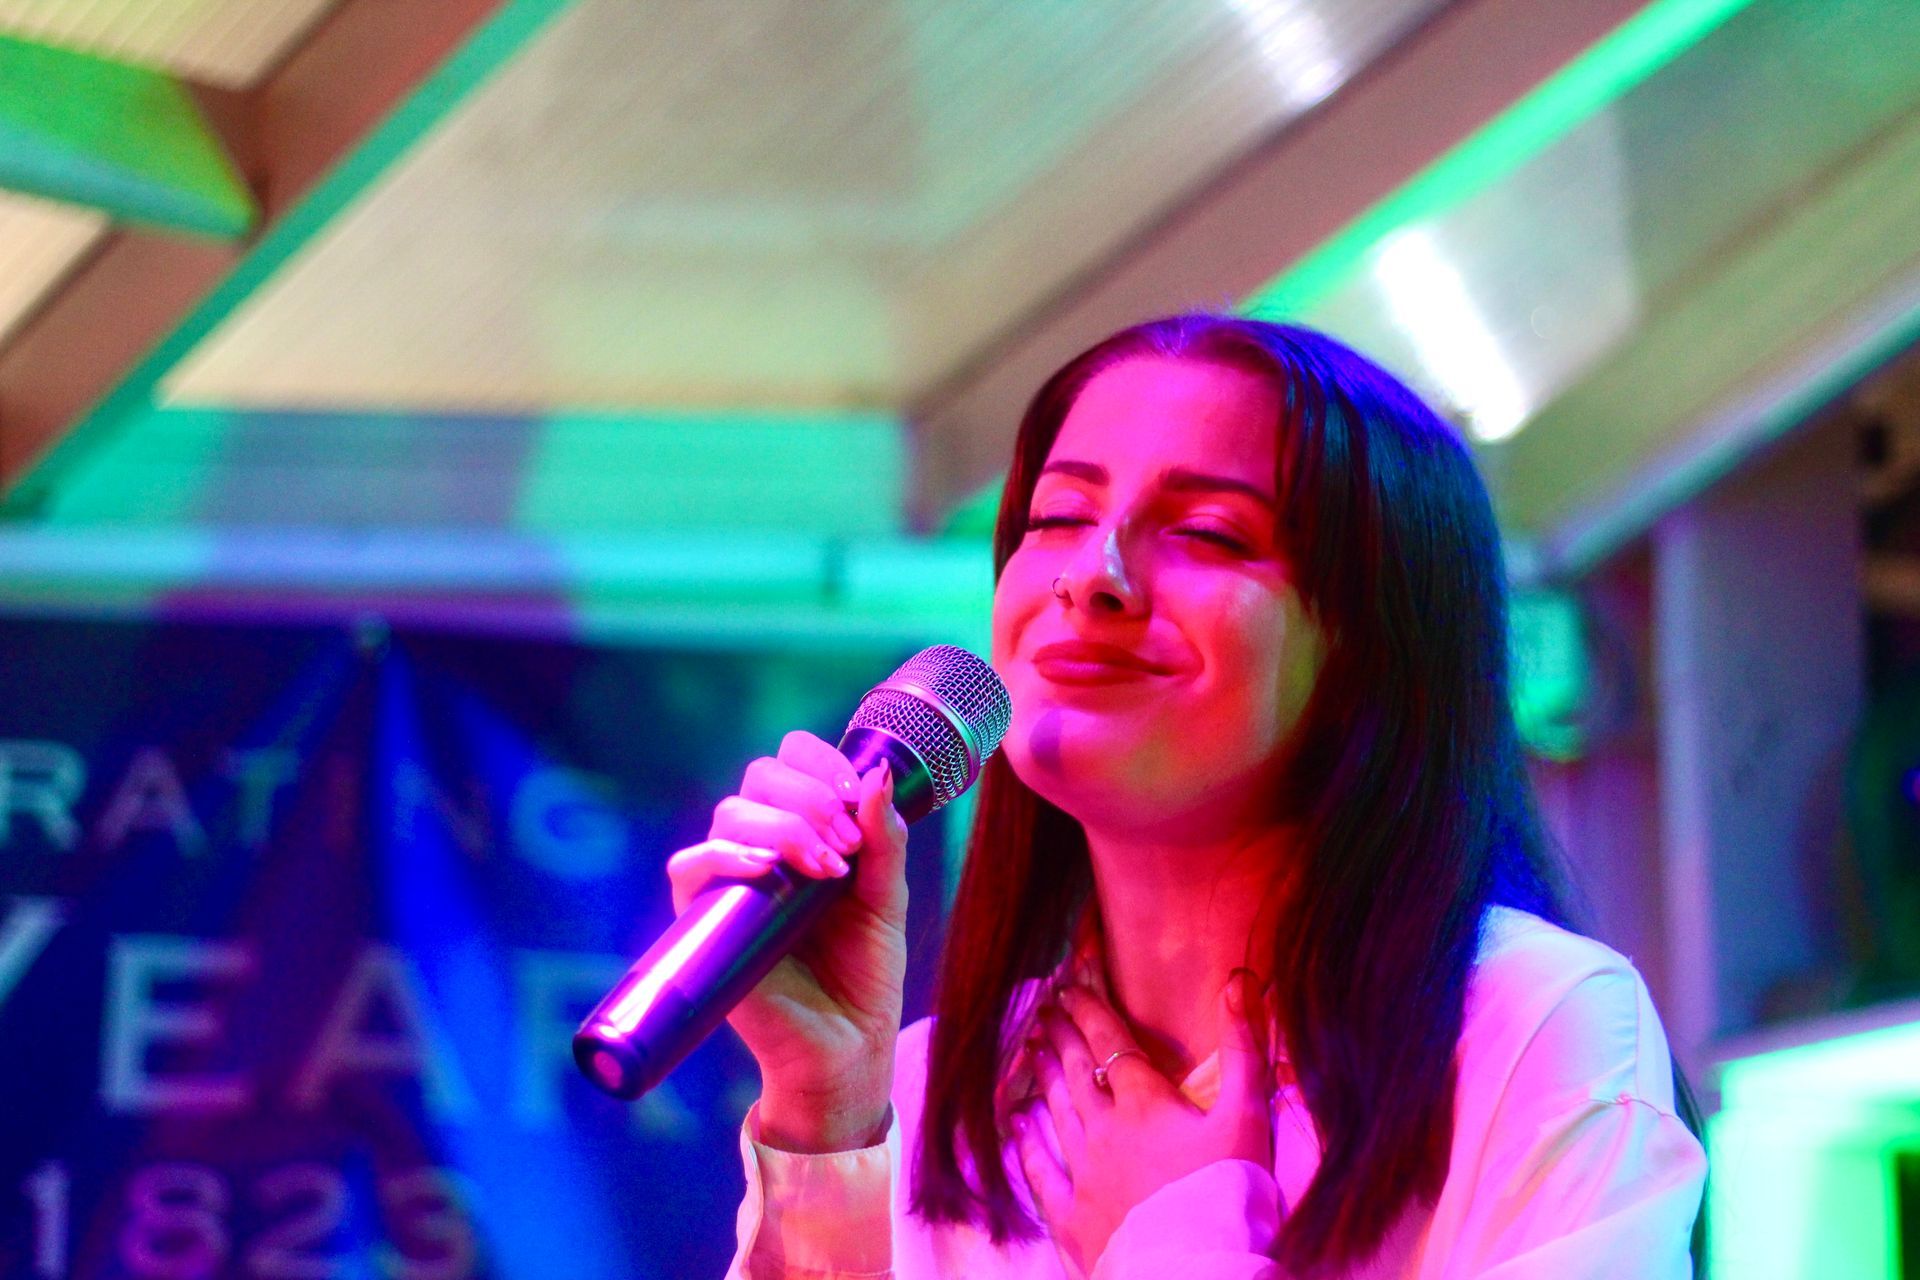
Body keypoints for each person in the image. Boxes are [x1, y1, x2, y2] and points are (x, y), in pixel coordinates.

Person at [665, 315, 1708, 1278]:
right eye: (1058, 517)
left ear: (1370, 647)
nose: (1093, 575)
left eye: (1208, 532)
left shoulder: (1525, 1024)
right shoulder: (932, 1086)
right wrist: (826, 1114)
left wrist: (1184, 1232)